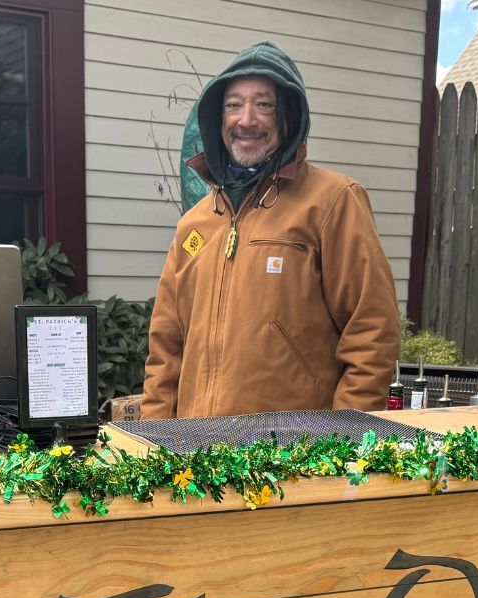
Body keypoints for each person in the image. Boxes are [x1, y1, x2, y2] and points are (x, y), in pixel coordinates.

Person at [142, 42, 400, 419]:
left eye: (264, 104)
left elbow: (371, 333)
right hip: (195, 454)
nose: (246, 120)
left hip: (293, 458)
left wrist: (345, 442)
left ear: (289, 117)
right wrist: (154, 444)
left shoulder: (333, 201)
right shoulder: (195, 223)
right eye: (233, 105)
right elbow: (165, 350)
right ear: (217, 118)